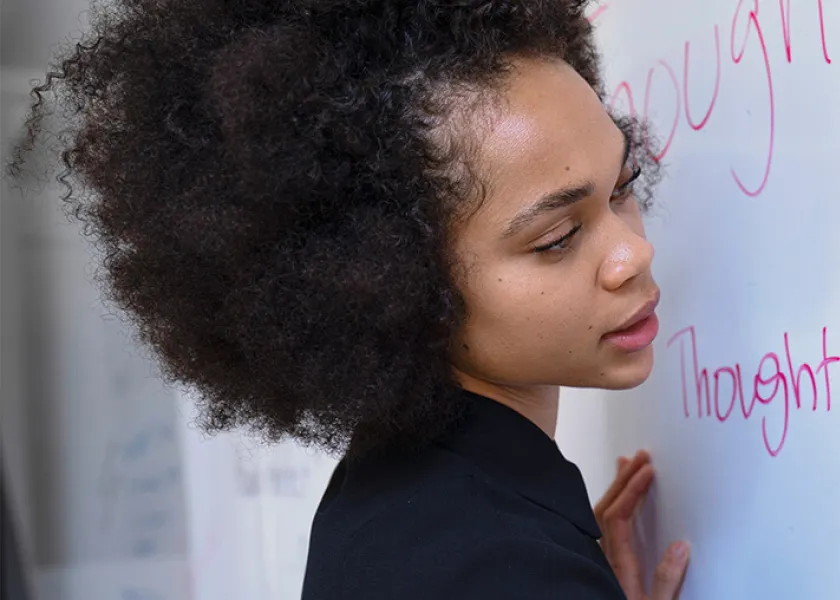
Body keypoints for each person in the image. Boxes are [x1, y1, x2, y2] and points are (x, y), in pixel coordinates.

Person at [10, 0, 690, 598]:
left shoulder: (404, 503)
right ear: (389, 281)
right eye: (558, 237)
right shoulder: (490, 563)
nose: (634, 254)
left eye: (623, 186)